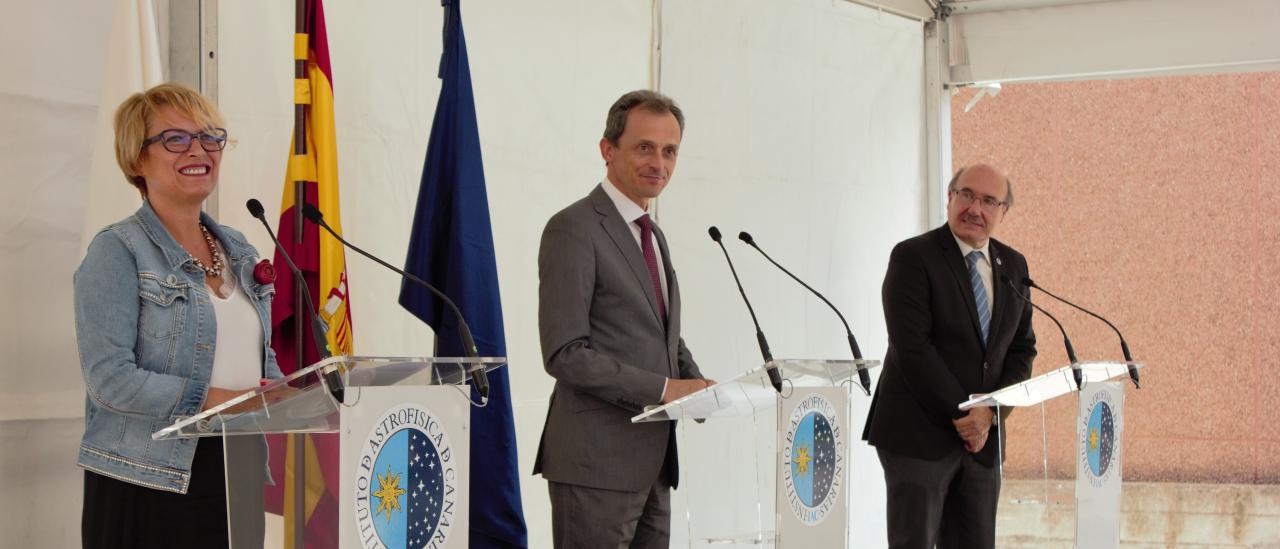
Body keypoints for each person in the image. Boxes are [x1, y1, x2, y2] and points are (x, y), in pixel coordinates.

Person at [74, 82, 281, 548]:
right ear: (136, 159)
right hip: (149, 476)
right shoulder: (116, 251)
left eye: (210, 137)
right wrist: (218, 398)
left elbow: (261, 365)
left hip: (239, 463)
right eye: (176, 139)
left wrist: (295, 391)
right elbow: (109, 379)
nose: (199, 149)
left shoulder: (241, 249)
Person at [532, 90, 713, 548]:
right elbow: (565, 353)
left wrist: (696, 384)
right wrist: (664, 389)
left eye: (669, 150)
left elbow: (662, 332)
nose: (659, 162)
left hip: (654, 465)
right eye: (644, 147)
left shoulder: (653, 235)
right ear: (607, 149)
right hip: (596, 465)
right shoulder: (573, 228)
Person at [862, 164, 1037, 548]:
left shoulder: (1014, 265)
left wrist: (990, 414)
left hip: (983, 441)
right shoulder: (913, 256)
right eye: (967, 195)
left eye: (989, 201)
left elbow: (1022, 348)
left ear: (1003, 211)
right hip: (918, 435)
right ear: (949, 197)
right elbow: (912, 347)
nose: (975, 208)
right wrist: (965, 416)